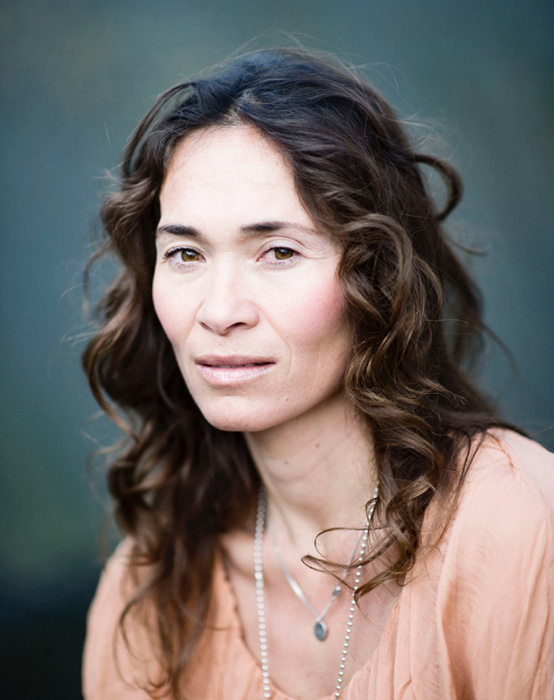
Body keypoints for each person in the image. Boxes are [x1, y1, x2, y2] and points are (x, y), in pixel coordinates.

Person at [81, 46, 554, 700]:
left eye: (278, 251)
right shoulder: (149, 584)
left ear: (378, 272)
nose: (218, 311)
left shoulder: (520, 526)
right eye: (185, 253)